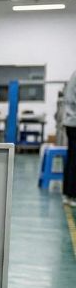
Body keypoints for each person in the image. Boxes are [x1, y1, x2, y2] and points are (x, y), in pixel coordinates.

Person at [63, 69, 76, 206]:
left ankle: (69, 194)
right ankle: (71, 195)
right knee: (74, 160)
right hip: (74, 123)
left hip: (71, 121)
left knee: (73, 159)